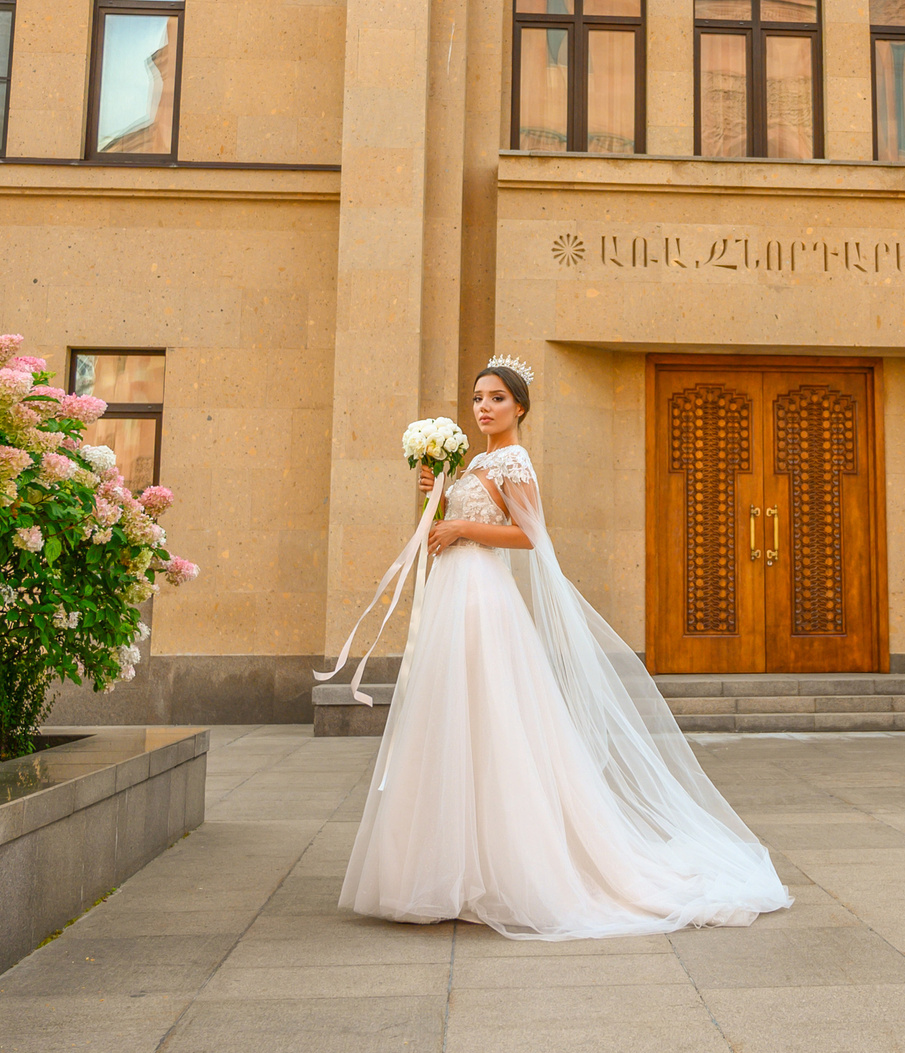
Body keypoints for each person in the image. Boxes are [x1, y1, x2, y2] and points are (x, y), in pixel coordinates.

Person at [329, 354, 793, 939]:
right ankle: (446, 868)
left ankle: (511, 868)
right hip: (456, 594)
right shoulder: (474, 460)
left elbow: (530, 535)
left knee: (496, 720)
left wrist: (462, 525)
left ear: (519, 407)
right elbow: (445, 533)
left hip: (484, 599)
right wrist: (436, 495)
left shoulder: (515, 460)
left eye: (496, 398)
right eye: (477, 398)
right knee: (453, 722)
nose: (484, 407)